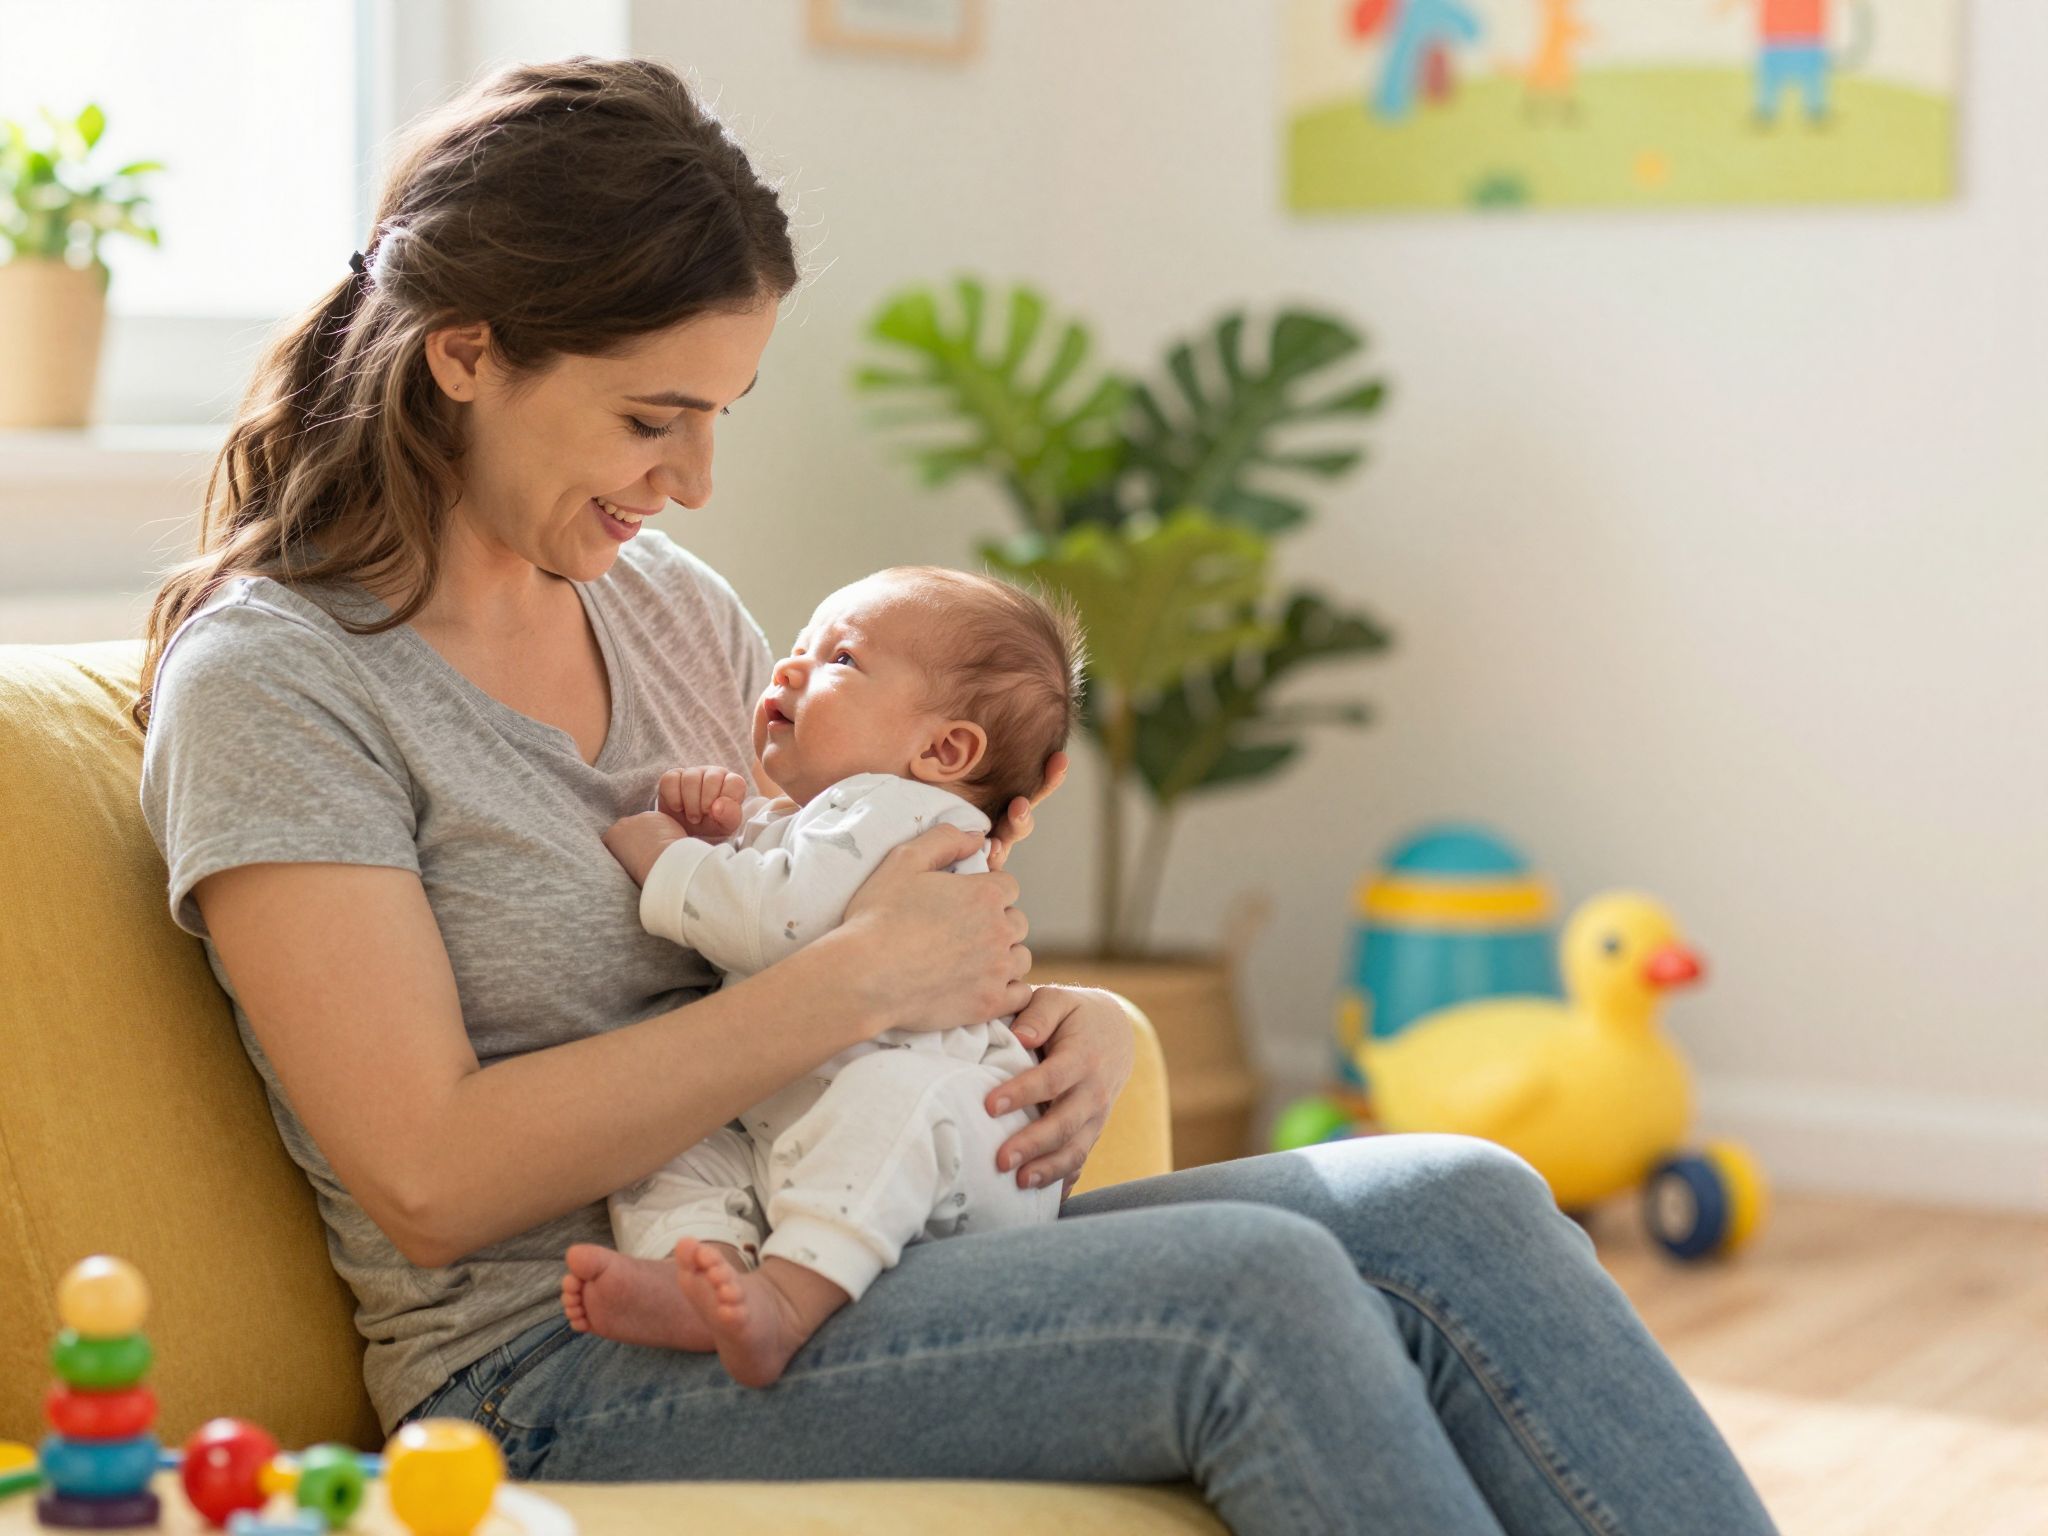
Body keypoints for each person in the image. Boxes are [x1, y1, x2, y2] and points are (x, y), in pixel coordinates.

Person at [134, 55, 1780, 1535]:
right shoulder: (279, 683)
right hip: (553, 1353)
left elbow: (822, 914)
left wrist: (1053, 1025)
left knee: (1456, 1199)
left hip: (859, 1237)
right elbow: (425, 1174)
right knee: (1253, 1292)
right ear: (463, 355)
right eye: (653, 417)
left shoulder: (670, 606)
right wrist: (859, 983)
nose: (695, 480)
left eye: (718, 415)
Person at [564, 567, 1084, 1388]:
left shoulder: (901, 809)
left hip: (949, 1152)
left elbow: (775, 922)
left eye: (841, 658)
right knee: (669, 1138)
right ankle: (700, 1271)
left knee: (888, 1095)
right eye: (799, 645)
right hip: (811, 1147)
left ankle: (790, 1300)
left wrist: (669, 854)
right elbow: (793, 886)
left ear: (944, 751)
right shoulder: (829, 816)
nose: (790, 668)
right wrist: (730, 832)